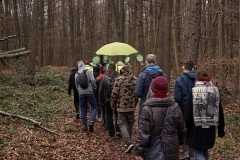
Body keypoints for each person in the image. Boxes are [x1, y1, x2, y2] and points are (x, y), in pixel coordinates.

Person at [135, 76, 187, 160]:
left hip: (153, 150)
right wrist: (180, 142)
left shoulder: (147, 108)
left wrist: (139, 151)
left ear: (152, 89)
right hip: (171, 148)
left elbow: (144, 133)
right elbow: (182, 128)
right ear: (167, 90)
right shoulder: (174, 106)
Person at [184, 69, 225, 160]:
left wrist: (185, 128)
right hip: (210, 128)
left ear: (196, 79)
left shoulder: (194, 91)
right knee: (205, 150)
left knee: (198, 152)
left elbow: (188, 113)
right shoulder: (215, 91)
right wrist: (221, 128)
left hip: (196, 128)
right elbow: (220, 111)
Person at [111, 64, 138, 153]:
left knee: (121, 123)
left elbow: (114, 93)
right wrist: (135, 103)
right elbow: (137, 93)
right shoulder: (135, 79)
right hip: (131, 106)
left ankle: (128, 142)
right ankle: (128, 142)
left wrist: (112, 103)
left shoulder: (119, 79)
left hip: (121, 106)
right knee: (130, 122)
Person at [174, 59, 196, 160]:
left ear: (184, 68)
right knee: (192, 130)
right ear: (193, 68)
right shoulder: (198, 79)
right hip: (196, 108)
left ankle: (185, 151)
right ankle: (191, 154)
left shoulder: (179, 81)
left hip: (183, 109)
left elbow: (177, 98)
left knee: (183, 130)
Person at [99, 63, 121, 140]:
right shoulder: (119, 76)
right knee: (117, 115)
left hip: (107, 99)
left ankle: (111, 134)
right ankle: (118, 130)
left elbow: (101, 90)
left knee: (109, 116)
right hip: (117, 99)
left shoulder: (105, 77)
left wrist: (101, 100)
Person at [75, 61, 97, 132]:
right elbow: (93, 81)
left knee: (82, 109)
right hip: (90, 91)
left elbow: (76, 84)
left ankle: (85, 125)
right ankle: (91, 121)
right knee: (94, 106)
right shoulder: (89, 71)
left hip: (81, 93)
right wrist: (94, 89)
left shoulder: (77, 73)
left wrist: (79, 90)